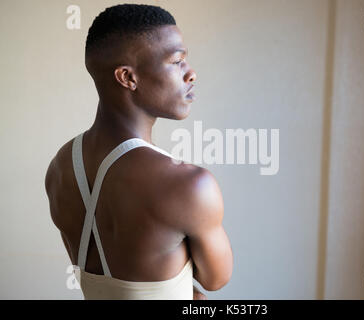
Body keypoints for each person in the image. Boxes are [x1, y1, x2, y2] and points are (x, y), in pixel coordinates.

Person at [44, 4, 233, 300]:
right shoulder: (189, 184)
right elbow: (216, 279)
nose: (191, 74)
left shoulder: (60, 167)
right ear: (127, 78)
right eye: (177, 61)